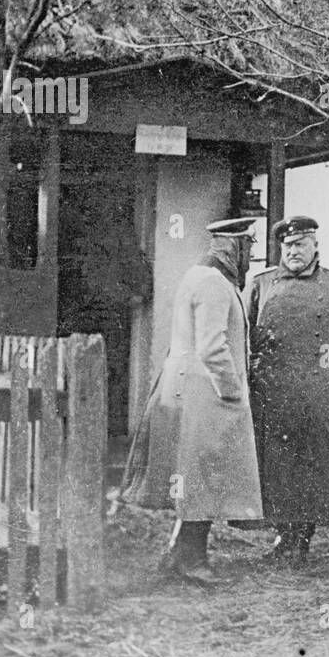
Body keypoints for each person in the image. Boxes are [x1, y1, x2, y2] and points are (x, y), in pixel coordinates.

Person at [121, 217, 264, 583]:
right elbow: (213, 347)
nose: (250, 255)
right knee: (202, 476)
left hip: (189, 387)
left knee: (195, 476)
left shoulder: (197, 276)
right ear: (234, 247)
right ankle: (191, 561)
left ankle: (178, 553)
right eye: (248, 246)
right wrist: (234, 391)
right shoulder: (214, 284)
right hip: (205, 393)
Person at [245, 216, 329, 567]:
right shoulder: (261, 283)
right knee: (277, 467)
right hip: (272, 392)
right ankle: (283, 535)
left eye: (300, 244)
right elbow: (244, 332)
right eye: (287, 246)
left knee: (311, 466)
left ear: (315, 245)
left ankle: (303, 538)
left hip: (315, 393)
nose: (293, 251)